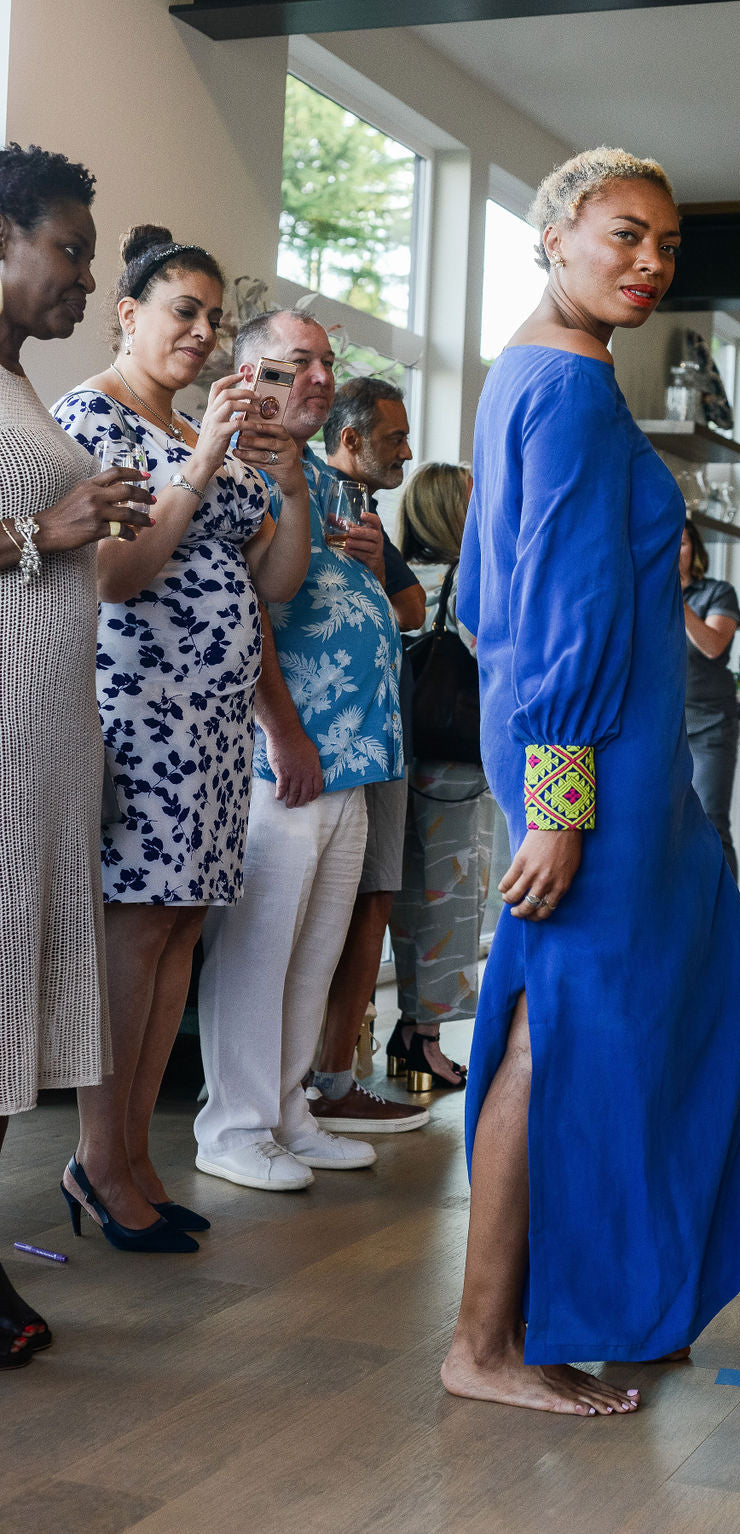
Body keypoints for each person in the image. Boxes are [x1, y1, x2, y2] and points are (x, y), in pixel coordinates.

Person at [443, 147, 740, 1417]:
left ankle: (629, 1293)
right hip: (598, 774)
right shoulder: (578, 392)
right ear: (554, 236)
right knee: (560, 1031)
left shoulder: (525, 374)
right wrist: (557, 801)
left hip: (612, 767)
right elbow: (556, 615)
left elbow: (490, 598)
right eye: (624, 235)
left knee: (657, 1010)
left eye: (667, 246)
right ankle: (485, 1342)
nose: (649, 262)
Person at [52, 226, 310, 1249]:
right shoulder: (92, 416)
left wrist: (284, 478)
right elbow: (116, 575)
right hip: (139, 713)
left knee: (182, 932)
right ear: (128, 312)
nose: (202, 333)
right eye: (182, 311)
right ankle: (98, 1156)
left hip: (211, 724)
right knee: (136, 934)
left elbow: (276, 580)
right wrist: (203, 457)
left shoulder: (207, 426)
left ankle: (135, 1158)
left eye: (214, 317)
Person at [194, 310, 427, 1191]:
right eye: (298, 364)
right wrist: (282, 730)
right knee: (260, 946)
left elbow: (369, 606)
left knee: (314, 947)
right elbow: (247, 609)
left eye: (326, 362)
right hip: (283, 755)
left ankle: (290, 1109)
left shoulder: (330, 484)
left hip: (352, 755)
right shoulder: (236, 466)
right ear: (251, 376)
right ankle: (235, 1125)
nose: (319, 377)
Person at [0, 142, 155, 1367]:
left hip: (46, 742)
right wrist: (34, 531)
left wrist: (84, 518)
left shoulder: (19, 386)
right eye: (67, 248)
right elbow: (25, 540)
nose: (81, 274)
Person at [303, 380, 426, 1124]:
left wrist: (379, 574)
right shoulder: (312, 497)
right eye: (394, 439)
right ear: (349, 440)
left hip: (383, 735)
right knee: (328, 904)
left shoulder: (368, 515)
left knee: (373, 895)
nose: (407, 451)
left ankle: (333, 1076)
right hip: (325, 739)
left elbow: (410, 608)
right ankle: (316, 1080)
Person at [388, 462, 495, 1090]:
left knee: (400, 900)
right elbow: (490, 655)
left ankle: (397, 1028)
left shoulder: (399, 577)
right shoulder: (468, 582)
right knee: (451, 902)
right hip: (453, 761)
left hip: (396, 754)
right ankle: (423, 1039)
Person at [678, 516, 740, 878]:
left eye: (682, 543)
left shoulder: (717, 592)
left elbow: (713, 645)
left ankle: (729, 925)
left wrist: (676, 598)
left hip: (710, 724)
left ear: (695, 549)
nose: (674, 550)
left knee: (710, 819)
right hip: (663, 724)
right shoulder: (643, 592)